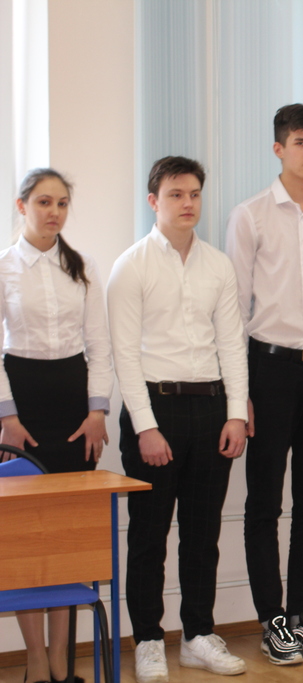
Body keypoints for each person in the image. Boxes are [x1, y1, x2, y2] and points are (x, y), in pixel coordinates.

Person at [108, 156, 249, 683]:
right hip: (155, 408)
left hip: (211, 407)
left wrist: (236, 414)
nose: (187, 203)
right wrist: (145, 427)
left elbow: (232, 345)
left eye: (193, 194)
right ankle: (148, 640)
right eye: (175, 194)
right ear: (154, 201)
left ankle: (197, 636)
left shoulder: (218, 265)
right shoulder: (132, 266)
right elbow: (125, 354)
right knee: (148, 536)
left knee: (202, 533)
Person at [225, 103, 303, 665]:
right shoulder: (250, 216)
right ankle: (272, 619)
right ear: (279, 149)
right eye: (301, 142)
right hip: (269, 369)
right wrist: (240, 395)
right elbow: (234, 309)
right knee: (263, 503)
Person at [0, 168, 113, 683]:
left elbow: (99, 346)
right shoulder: (4, 267)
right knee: (25, 537)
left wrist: (96, 411)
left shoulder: (83, 266)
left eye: (62, 203)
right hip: (20, 405)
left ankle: (62, 660)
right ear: (22, 206)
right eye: (44, 202)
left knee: (68, 536)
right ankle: (35, 660)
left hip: (74, 406)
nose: (54, 212)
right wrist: (7, 417)